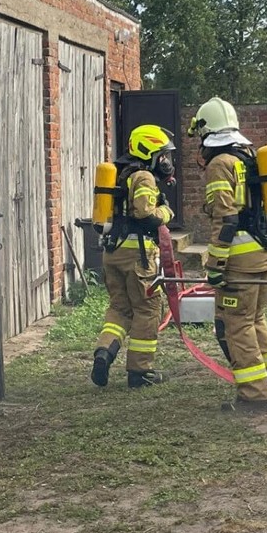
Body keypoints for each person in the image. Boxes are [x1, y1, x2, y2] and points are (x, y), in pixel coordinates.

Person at [188, 97, 267, 414]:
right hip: (262, 251)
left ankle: (255, 397)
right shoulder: (247, 156)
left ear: (207, 131)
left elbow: (226, 219)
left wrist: (215, 264)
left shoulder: (220, 164)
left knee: (237, 327)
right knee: (255, 320)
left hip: (239, 260)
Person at [91, 124, 176, 389]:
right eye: (162, 155)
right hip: (137, 257)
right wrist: (166, 212)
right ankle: (140, 372)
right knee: (147, 310)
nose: (165, 161)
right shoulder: (143, 177)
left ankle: (104, 352)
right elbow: (144, 214)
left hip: (112, 253)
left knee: (119, 308)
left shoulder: (117, 174)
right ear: (149, 150)